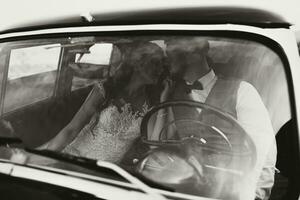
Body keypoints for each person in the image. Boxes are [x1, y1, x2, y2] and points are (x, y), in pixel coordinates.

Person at [151, 37, 277, 200]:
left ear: (195, 53)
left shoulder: (242, 90)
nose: (167, 61)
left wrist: (253, 196)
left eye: (171, 53)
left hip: (230, 192)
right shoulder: (173, 96)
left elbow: (264, 155)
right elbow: (159, 148)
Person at [38, 42, 165, 163]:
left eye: (162, 64)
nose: (160, 69)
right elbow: (72, 129)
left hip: (103, 172)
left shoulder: (151, 104)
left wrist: (165, 99)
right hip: (74, 157)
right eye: (155, 63)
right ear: (138, 64)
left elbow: (155, 143)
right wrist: (44, 158)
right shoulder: (106, 89)